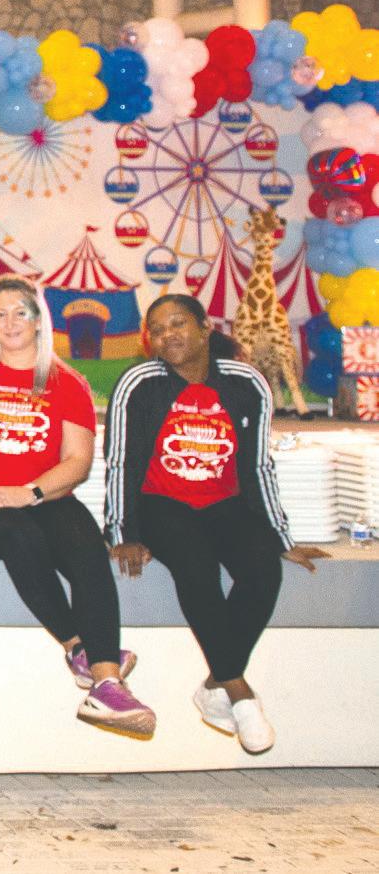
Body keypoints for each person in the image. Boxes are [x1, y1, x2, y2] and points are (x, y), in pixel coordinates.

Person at [105, 294, 328, 755]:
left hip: (226, 504)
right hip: (161, 504)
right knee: (196, 566)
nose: (168, 336)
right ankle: (240, 694)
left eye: (178, 324)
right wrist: (124, 532)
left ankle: (215, 684)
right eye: (157, 329)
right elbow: (120, 461)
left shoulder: (247, 382)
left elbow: (259, 465)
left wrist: (280, 536)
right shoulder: (138, 382)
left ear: (206, 328)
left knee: (264, 569)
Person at [0, 276, 154, 737]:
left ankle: (107, 684)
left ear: (39, 320)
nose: (10, 322)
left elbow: (77, 461)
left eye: (21, 312)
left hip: (41, 497)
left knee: (86, 543)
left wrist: (31, 492)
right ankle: (79, 647)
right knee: (18, 533)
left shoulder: (67, 382)